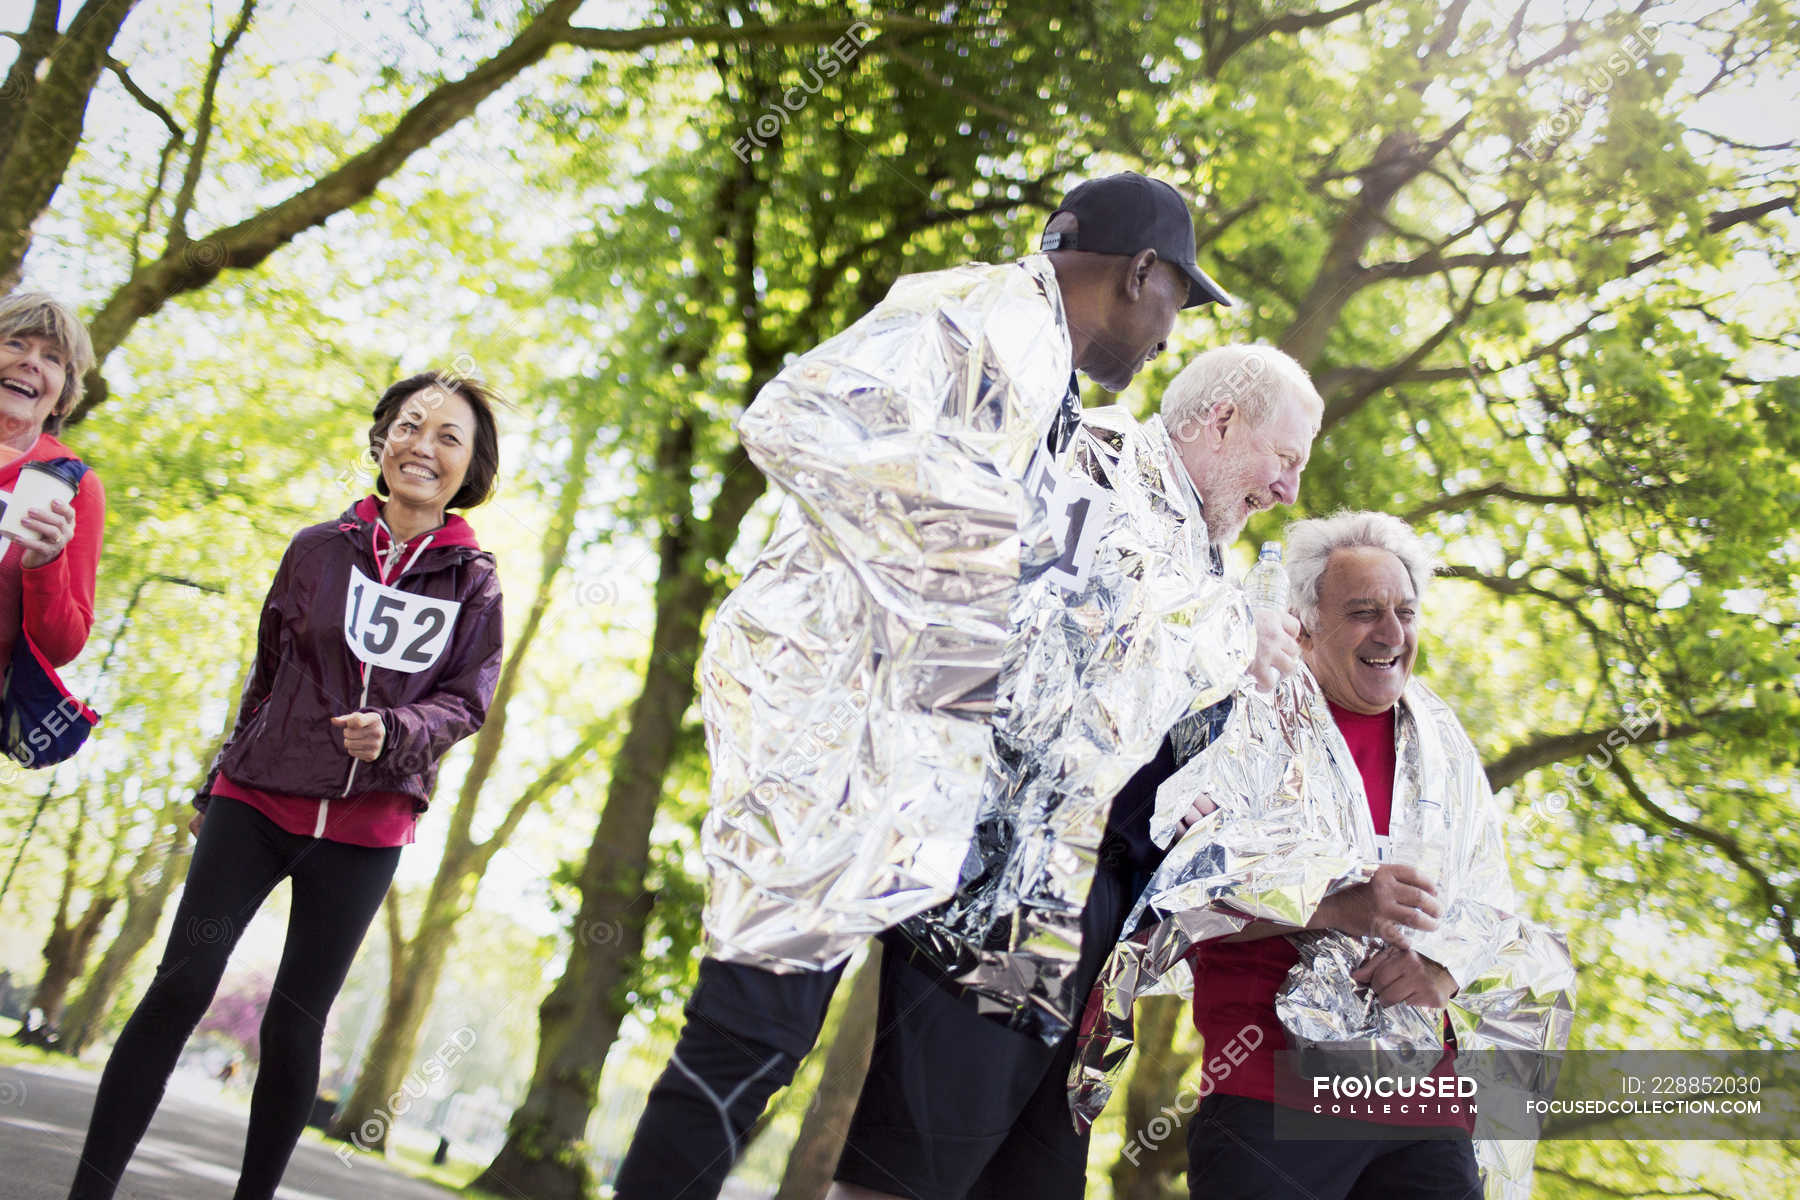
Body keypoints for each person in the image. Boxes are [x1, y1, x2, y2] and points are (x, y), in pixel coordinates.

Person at [615, 173, 1277, 1199]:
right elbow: (796, 419)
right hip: (836, 734)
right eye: (1173, 304)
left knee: (798, 1056)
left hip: (923, 779)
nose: (1164, 338)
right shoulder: (976, 308)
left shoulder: (1047, 373)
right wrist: (987, 549)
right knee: (748, 1034)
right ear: (1140, 271)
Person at [830, 346, 1322, 1200]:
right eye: (1285, 461)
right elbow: (1063, 641)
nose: (1288, 492)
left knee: (1034, 1179)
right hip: (1008, 888)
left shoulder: (1209, 558)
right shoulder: (1096, 458)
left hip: (1101, 921)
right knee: (911, 1170)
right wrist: (1235, 635)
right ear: (1222, 420)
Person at [66, 371, 506, 1200]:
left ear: (472, 468)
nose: (424, 446)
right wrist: (214, 784)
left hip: (368, 825)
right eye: (410, 426)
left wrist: (397, 733)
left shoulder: (474, 580)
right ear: (382, 440)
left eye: (450, 437)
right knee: (181, 985)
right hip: (259, 795)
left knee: (295, 1025)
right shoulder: (316, 549)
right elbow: (265, 677)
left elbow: (466, 701)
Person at [1071, 511, 1575, 1200]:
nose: (1392, 633)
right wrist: (1342, 903)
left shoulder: (1443, 741)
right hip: (1272, 1096)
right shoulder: (1241, 715)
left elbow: (1490, 900)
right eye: (1365, 612)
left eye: (1405, 612)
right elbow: (1178, 894)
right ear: (1302, 624)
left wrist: (1445, 969)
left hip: (1427, 1111)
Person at [0, 293, 104, 765]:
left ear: (63, 394)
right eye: (16, 343)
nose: (30, 363)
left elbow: (62, 645)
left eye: (53, 358)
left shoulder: (69, 484)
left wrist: (46, 564)